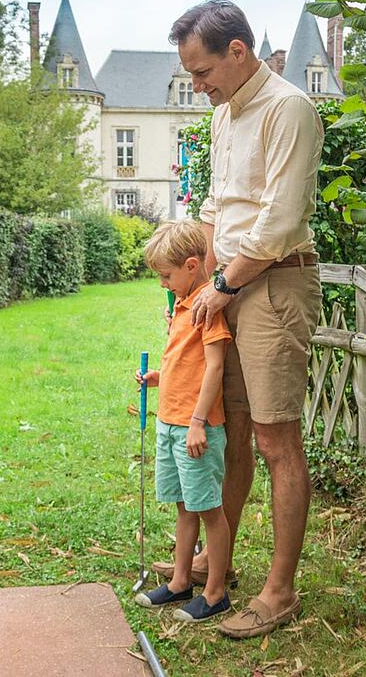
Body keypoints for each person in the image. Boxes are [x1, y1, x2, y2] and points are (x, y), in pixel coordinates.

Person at [152, 0, 324, 639]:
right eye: (191, 76)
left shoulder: (289, 110)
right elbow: (219, 210)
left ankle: (279, 592)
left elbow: (278, 221)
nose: (197, 87)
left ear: (238, 52)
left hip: (274, 284)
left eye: (201, 73)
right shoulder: (226, 116)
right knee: (229, 427)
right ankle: (212, 561)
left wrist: (222, 286)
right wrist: (195, 282)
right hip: (224, 287)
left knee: (276, 439)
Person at [132, 220, 233, 623]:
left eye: (165, 276)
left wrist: (196, 422)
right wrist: (161, 378)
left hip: (196, 430)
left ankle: (215, 593)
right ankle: (179, 582)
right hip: (170, 422)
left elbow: (214, 369)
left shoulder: (207, 311)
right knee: (184, 507)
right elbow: (185, 364)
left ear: (192, 266)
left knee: (209, 509)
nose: (162, 284)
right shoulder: (179, 306)